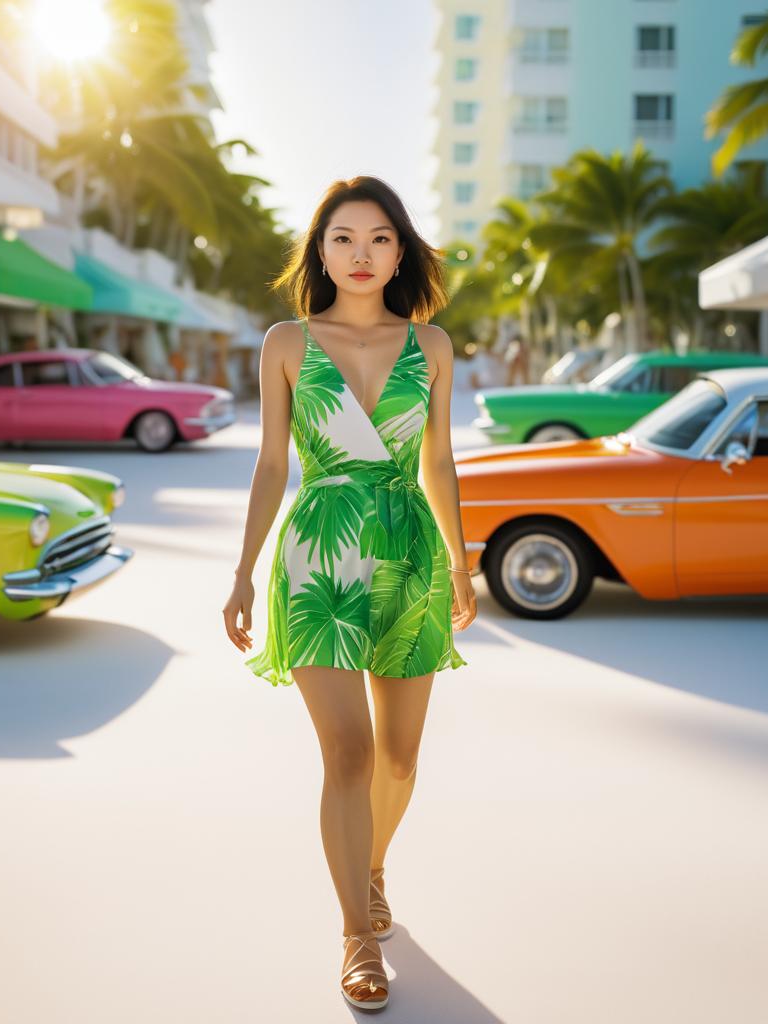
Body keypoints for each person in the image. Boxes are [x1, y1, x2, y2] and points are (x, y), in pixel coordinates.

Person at [222, 175, 476, 1011]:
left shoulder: (431, 345)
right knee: (351, 754)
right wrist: (243, 571)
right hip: (318, 560)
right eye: (343, 238)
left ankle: (370, 869)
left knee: (400, 759)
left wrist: (462, 561)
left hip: (408, 554)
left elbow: (437, 462)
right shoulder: (286, 342)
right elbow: (269, 465)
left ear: (400, 250)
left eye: (377, 238)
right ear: (319, 251)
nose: (360, 254)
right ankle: (357, 938)